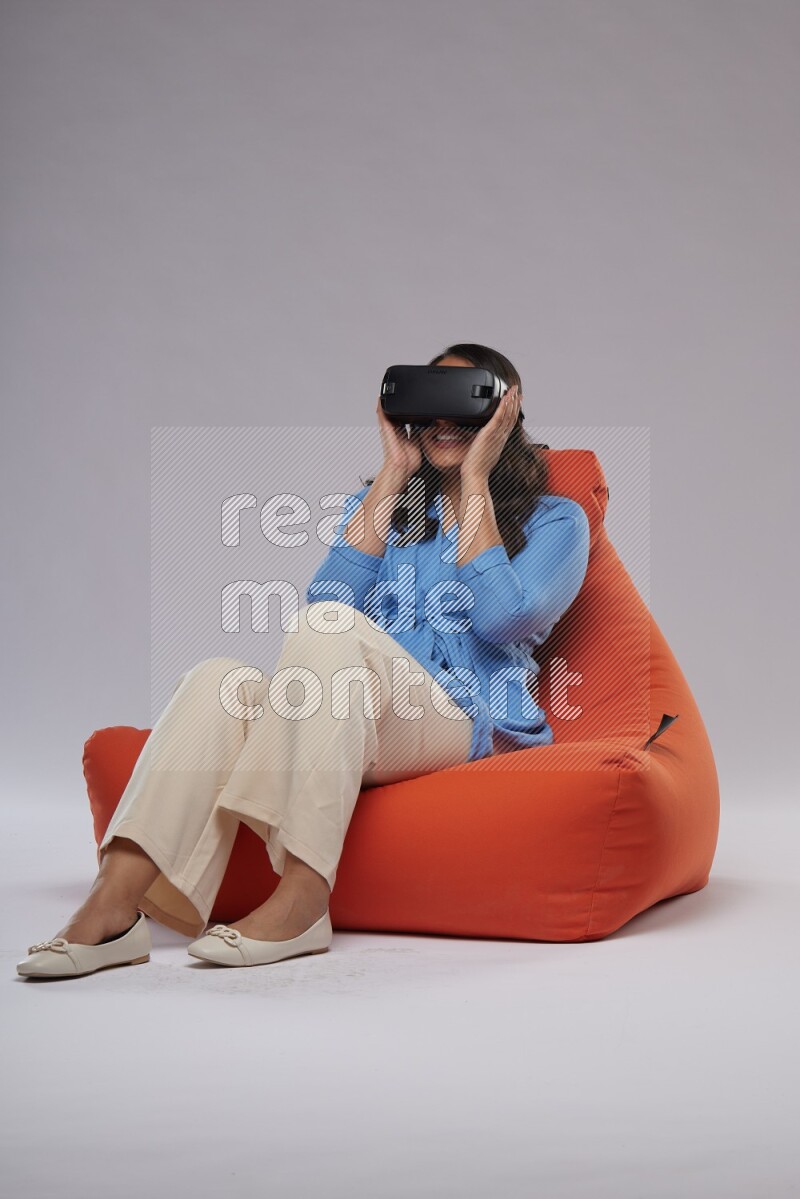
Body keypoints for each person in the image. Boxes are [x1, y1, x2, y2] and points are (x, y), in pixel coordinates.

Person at [17, 343, 590, 979]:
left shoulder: (556, 521)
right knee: (216, 681)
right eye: (428, 405)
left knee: (328, 631)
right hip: (357, 708)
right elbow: (327, 603)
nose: (442, 422)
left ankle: (303, 898)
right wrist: (393, 474)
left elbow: (504, 619)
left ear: (504, 412)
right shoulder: (388, 510)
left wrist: (476, 481)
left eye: (464, 403)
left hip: (464, 719)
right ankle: (113, 909)